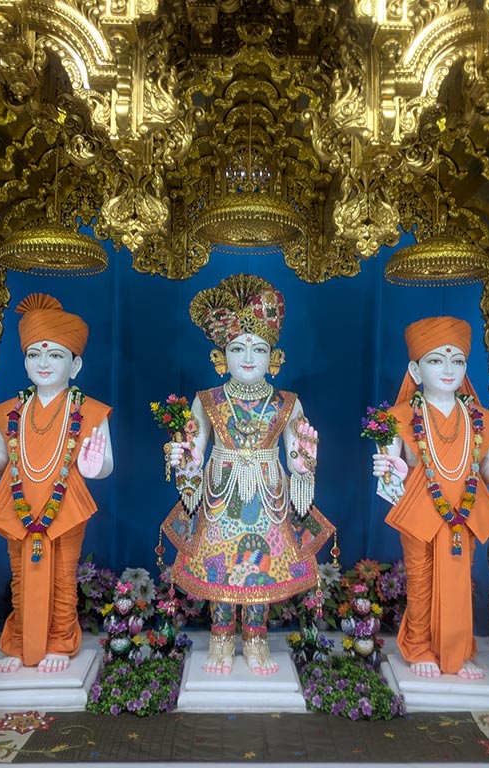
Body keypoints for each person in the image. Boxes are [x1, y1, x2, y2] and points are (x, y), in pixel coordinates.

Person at [163, 274, 334, 676]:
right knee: (221, 563)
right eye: (237, 347)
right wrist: (183, 461)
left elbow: (300, 452)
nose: (248, 357)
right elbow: (195, 450)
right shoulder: (207, 400)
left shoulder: (288, 402)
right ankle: (221, 637)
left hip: (267, 493)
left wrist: (302, 467)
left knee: (260, 565)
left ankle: (256, 639)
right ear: (221, 354)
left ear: (273, 355)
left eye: (258, 348)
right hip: (221, 492)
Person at [0, 294, 113, 674]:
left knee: (62, 574)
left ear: (75, 365)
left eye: (55, 355)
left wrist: (94, 466)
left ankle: (59, 641)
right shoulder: (9, 412)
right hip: (18, 500)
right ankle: (18, 643)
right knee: (21, 575)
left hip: (65, 501)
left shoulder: (88, 411)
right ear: (24, 361)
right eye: (35, 355)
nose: (43, 363)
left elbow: (104, 465)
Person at [372, 316, 489, 679]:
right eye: (436, 360)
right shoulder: (397, 418)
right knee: (421, 580)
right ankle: (419, 647)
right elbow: (388, 476)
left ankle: (460, 652)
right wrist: (388, 469)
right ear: (415, 368)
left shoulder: (483, 421)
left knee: (461, 581)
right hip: (420, 510)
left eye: (457, 361)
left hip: (466, 508)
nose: (448, 369)